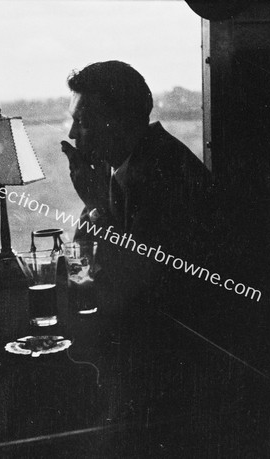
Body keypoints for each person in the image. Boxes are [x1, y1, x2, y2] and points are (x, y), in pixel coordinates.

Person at [61, 61, 213, 319]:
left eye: (83, 121)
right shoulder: (123, 168)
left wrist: (96, 203)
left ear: (120, 122)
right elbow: (82, 266)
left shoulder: (165, 174)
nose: (73, 134)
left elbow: (135, 290)